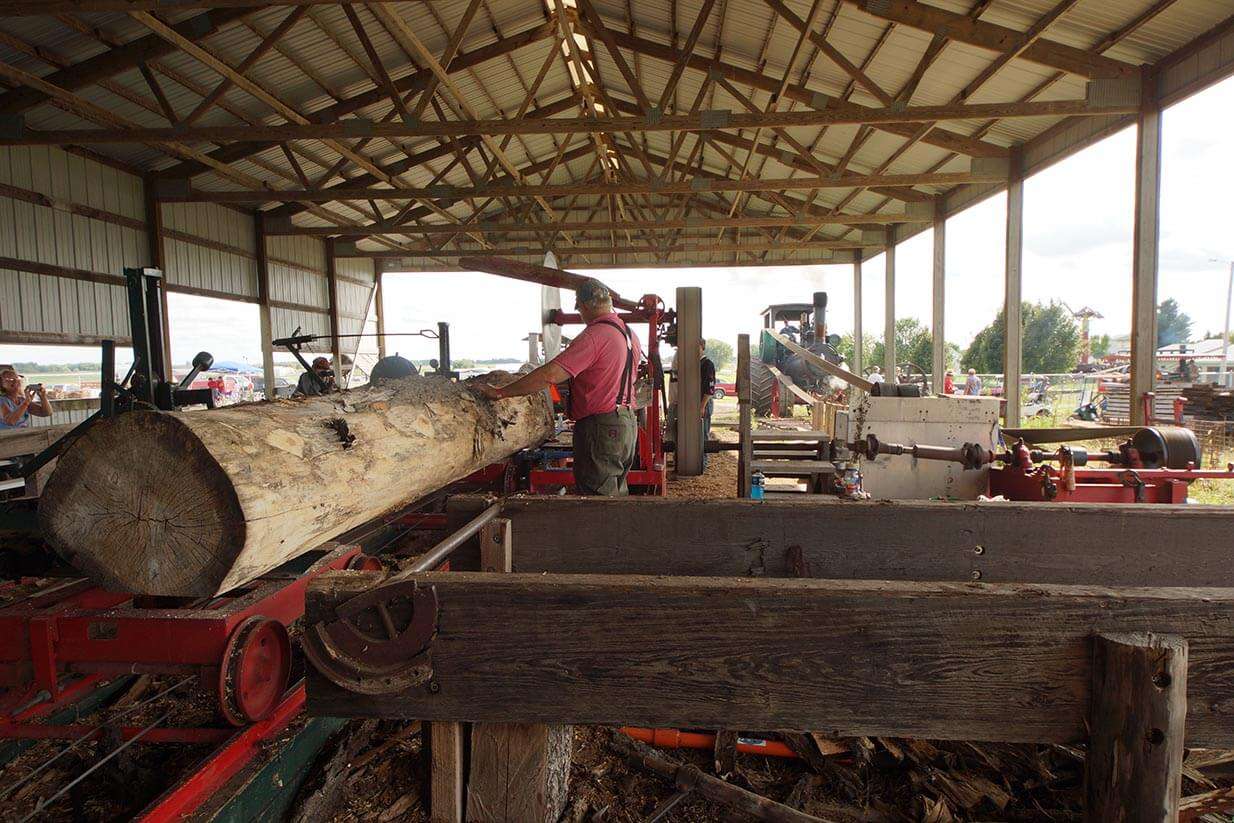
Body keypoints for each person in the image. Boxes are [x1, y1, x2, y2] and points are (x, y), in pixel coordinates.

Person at [476, 278, 643, 496]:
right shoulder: (629, 334)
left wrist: (501, 392)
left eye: (579, 308)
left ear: (585, 305)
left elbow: (551, 375)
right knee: (614, 493)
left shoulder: (595, 335)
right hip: (626, 423)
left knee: (597, 500)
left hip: (601, 426)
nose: (580, 315)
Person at [700, 352, 716, 470]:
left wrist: (702, 406)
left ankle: (703, 463)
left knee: (703, 433)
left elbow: (710, 389)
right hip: (698, 403)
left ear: (702, 347)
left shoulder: (707, 364)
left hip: (704, 402)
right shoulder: (696, 364)